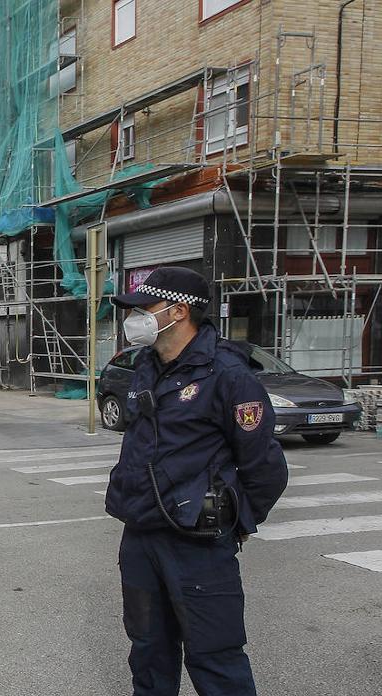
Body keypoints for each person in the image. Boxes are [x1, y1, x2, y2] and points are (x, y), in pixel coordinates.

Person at [106, 267, 289, 696]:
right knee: (148, 651)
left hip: (198, 543)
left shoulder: (228, 374)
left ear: (179, 311)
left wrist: (235, 521)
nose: (135, 318)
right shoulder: (147, 366)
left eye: (145, 308)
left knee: (215, 658)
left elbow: (266, 468)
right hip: (142, 535)